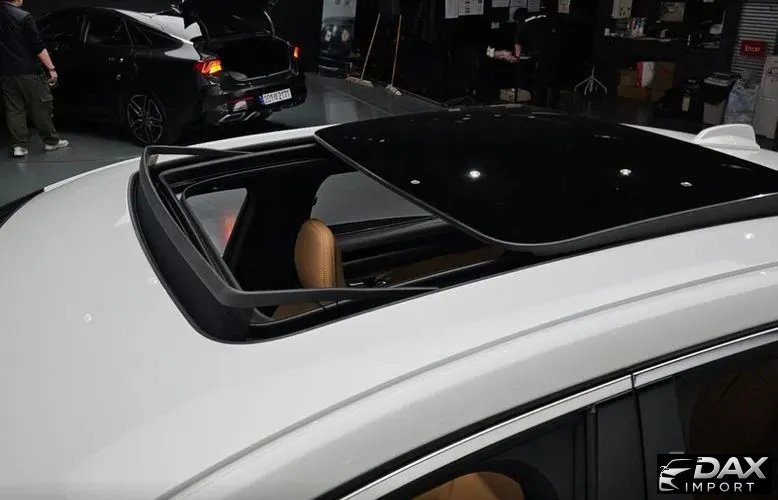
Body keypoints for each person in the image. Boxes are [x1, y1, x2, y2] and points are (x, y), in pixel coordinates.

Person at [0, 0, 68, 158]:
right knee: (41, 106)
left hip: (6, 72)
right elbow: (37, 45)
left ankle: (19, 146)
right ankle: (51, 141)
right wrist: (51, 68)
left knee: (14, 109)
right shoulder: (24, 17)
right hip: (29, 70)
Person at [514, 7, 562, 108]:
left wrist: (517, 57)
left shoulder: (523, 23)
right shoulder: (541, 17)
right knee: (554, 81)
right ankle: (554, 106)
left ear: (518, 18)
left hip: (541, 55)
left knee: (540, 82)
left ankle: (540, 107)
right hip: (556, 51)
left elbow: (517, 45)